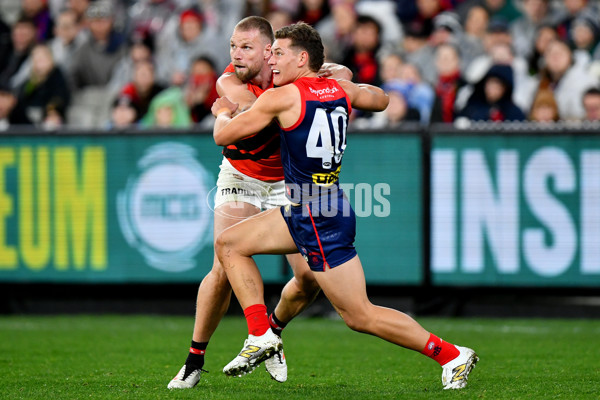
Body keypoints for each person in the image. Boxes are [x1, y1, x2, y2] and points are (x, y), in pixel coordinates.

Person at [211, 21, 478, 390]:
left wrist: (222, 113)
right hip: (327, 203)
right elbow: (381, 99)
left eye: (279, 53)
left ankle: (450, 354)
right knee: (230, 243)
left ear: (301, 58)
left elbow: (223, 136)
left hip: (312, 214)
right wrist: (341, 84)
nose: (271, 60)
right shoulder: (337, 88)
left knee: (360, 315)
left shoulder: (281, 97)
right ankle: (263, 333)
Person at [167, 16, 351, 389]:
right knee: (222, 265)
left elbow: (342, 72)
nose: (235, 54)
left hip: (288, 182)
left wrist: (318, 80)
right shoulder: (230, 83)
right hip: (242, 177)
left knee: (308, 277)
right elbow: (266, 110)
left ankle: (271, 332)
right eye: (233, 46)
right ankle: (194, 360)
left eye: (245, 47)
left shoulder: (290, 76)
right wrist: (315, 84)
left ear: (270, 52)